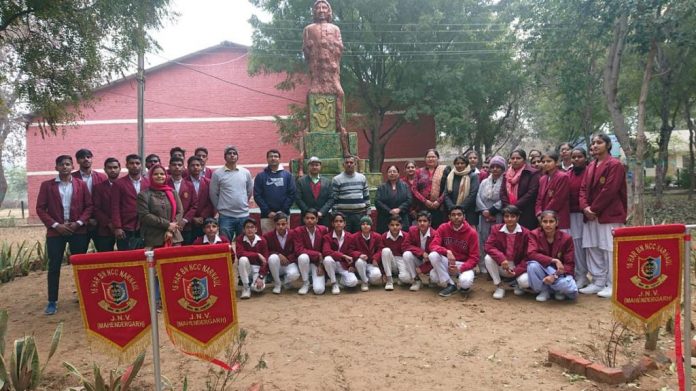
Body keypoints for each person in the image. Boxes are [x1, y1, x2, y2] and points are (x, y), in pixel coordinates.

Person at [36, 155, 93, 315]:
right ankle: (52, 301)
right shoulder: (47, 186)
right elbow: (40, 209)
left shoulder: (81, 185)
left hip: (78, 231)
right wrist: (56, 225)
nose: (65, 167)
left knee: (81, 266)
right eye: (62, 164)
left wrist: (78, 223)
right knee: (54, 266)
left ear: (72, 166)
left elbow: (89, 206)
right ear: (56, 167)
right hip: (56, 233)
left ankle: (85, 299)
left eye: (68, 164)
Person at [579, 133, 627, 298]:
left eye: (599, 142)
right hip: (590, 214)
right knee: (592, 247)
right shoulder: (591, 165)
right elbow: (583, 189)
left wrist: (594, 209)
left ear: (607, 145)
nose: (594, 146)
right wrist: (585, 207)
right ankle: (598, 281)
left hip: (609, 214)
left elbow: (610, 190)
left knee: (609, 249)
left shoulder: (615, 165)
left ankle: (613, 284)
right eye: (593, 143)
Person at [302, 0, 350, 156]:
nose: (321, 10)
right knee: (312, 95)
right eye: (318, 7)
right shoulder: (308, 29)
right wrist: (308, 48)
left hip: (332, 71)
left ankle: (340, 128)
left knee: (339, 94)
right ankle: (310, 126)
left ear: (329, 11)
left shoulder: (335, 29)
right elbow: (305, 53)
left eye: (324, 7)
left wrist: (335, 46)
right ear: (314, 11)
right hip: (317, 72)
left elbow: (340, 49)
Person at [526, 210, 578, 302]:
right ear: (541, 223)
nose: (548, 225)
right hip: (543, 269)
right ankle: (545, 290)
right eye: (545, 221)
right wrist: (554, 260)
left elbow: (569, 265)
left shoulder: (566, 238)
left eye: (551, 221)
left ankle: (555, 290)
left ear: (557, 222)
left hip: (559, 273)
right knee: (532, 265)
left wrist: (554, 276)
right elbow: (531, 254)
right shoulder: (534, 234)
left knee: (568, 287)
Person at [430, 206, 479, 297]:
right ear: (449, 217)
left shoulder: (472, 233)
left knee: (465, 283)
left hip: (463, 264)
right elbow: (433, 246)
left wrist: (461, 269)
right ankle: (451, 284)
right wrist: (447, 251)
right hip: (448, 262)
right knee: (433, 274)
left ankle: (459, 277)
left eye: (459, 215)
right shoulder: (443, 228)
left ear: (464, 217)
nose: (456, 217)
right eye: (453, 215)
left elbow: (474, 258)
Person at [483, 206, 531, 299]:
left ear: (518, 217)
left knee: (525, 282)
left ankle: (518, 284)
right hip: (502, 264)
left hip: (518, 265)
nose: (509, 219)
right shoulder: (496, 229)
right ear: (503, 218)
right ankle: (499, 286)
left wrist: (517, 270)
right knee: (488, 258)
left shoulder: (526, 233)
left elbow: (528, 255)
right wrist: (501, 259)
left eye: (513, 216)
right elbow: (488, 246)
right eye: (506, 216)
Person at [210, 145, 254, 240]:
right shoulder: (217, 173)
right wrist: (220, 208)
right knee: (225, 244)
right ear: (225, 157)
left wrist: (243, 202)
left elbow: (249, 191)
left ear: (237, 156)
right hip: (226, 216)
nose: (232, 155)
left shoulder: (245, 172)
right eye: (229, 153)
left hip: (243, 215)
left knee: (243, 243)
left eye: (234, 153)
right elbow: (213, 193)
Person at [137, 164, 183, 249]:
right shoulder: (143, 195)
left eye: (162, 174)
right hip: (154, 239)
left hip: (174, 237)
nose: (159, 176)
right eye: (155, 174)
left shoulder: (172, 192)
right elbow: (145, 216)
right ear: (150, 176)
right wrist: (168, 224)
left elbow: (179, 212)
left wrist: (170, 229)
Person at [111, 154, 150, 250]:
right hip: (126, 227)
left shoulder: (148, 182)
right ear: (127, 165)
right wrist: (118, 227)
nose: (135, 165)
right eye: (131, 163)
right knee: (125, 257)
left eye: (137, 163)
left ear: (141, 165)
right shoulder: (118, 184)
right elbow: (115, 207)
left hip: (146, 226)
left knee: (145, 255)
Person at [254, 149, 296, 234]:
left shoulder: (288, 176)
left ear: (279, 159)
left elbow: (292, 194)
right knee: (268, 242)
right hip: (267, 216)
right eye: (271, 156)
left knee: (285, 242)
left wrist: (282, 212)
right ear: (267, 159)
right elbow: (257, 195)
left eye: (276, 156)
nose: (273, 158)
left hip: (284, 215)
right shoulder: (260, 176)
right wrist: (268, 212)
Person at [476, 155, 506, 272]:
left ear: (503, 168)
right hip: (483, 215)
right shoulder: (484, 182)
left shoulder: (505, 182)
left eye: (498, 167)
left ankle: (496, 265)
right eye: (492, 166)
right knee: (483, 238)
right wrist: (484, 211)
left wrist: (492, 211)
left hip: (498, 214)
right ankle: (483, 265)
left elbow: (504, 198)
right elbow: (478, 196)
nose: (495, 169)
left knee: (496, 238)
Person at [500, 149, 540, 230]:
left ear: (524, 160)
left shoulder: (532, 173)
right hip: (509, 212)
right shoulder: (506, 174)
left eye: (518, 158)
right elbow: (502, 192)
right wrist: (508, 207)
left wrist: (515, 206)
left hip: (526, 212)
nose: (515, 161)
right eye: (513, 158)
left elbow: (531, 192)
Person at [293, 208, 328, 295]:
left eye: (312, 218)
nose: (310, 220)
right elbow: (298, 250)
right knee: (303, 257)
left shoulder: (323, 230)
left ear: (317, 219)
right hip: (304, 263)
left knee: (319, 290)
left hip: (317, 263)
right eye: (307, 218)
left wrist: (321, 265)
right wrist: (317, 254)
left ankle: (315, 280)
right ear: (303, 219)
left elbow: (325, 249)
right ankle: (306, 283)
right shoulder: (298, 231)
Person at [322, 212, 359, 294]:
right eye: (336, 221)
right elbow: (326, 251)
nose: (338, 223)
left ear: (344, 223)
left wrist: (352, 265)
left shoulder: (350, 236)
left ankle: (340, 280)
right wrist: (343, 255)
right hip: (332, 264)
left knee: (353, 282)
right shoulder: (327, 237)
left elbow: (352, 251)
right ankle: (334, 283)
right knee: (327, 259)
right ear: (332, 223)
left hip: (344, 265)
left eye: (341, 221)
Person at [401, 211, 439, 291]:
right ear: (417, 222)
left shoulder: (435, 234)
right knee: (406, 254)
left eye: (425, 221)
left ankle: (431, 279)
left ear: (429, 223)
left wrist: (423, 268)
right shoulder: (412, 230)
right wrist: (421, 253)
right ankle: (416, 280)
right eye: (419, 221)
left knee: (435, 278)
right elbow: (405, 246)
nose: (422, 223)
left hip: (430, 262)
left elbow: (437, 256)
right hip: (418, 258)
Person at [331, 156, 370, 233]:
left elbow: (366, 195)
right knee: (345, 238)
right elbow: (334, 198)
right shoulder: (336, 179)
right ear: (343, 165)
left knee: (358, 238)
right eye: (347, 162)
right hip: (343, 215)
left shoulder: (362, 178)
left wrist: (368, 212)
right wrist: (335, 214)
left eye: (351, 163)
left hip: (360, 214)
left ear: (355, 164)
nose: (349, 164)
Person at [265, 212, 301, 294]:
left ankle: (286, 281)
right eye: (278, 224)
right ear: (274, 224)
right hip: (276, 264)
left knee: (295, 275)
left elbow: (297, 250)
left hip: (289, 263)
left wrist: (288, 259)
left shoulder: (294, 234)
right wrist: (278, 254)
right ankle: (277, 284)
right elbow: (266, 251)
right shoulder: (268, 236)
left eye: (283, 224)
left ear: (287, 224)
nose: (281, 227)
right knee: (273, 257)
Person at [568, 148, 589, 287]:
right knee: (577, 243)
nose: (576, 159)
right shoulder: (568, 173)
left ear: (585, 158)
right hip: (572, 214)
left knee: (589, 245)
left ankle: (597, 276)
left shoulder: (590, 172)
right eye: (574, 157)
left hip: (587, 213)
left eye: (579, 156)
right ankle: (581, 274)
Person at [535, 151, 570, 231]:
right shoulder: (543, 179)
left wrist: (545, 214)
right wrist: (539, 213)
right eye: (543, 162)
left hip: (558, 216)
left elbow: (558, 200)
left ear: (556, 162)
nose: (545, 164)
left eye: (549, 161)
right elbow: (539, 199)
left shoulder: (563, 177)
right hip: (543, 218)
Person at [411, 149, 447, 227]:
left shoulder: (444, 170)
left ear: (438, 158)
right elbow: (414, 189)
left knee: (439, 229)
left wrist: (439, 201)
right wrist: (425, 201)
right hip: (423, 207)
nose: (431, 159)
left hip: (439, 207)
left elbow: (448, 188)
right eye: (428, 157)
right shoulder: (419, 172)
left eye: (433, 157)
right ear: (425, 159)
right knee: (424, 228)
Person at [236, 218, 269, 299]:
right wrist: (257, 254)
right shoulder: (240, 239)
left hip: (257, 269)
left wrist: (260, 276)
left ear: (256, 229)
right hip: (246, 267)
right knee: (243, 259)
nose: (250, 229)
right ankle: (246, 287)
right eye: (247, 227)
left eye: (252, 227)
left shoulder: (262, 240)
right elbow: (240, 254)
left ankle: (251, 283)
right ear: (244, 230)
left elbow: (265, 261)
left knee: (258, 289)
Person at [92, 157, 121, 252]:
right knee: (106, 258)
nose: (112, 170)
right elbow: (96, 208)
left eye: (115, 167)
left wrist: (118, 225)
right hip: (104, 229)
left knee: (125, 257)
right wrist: (109, 223)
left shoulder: (126, 185)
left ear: (119, 168)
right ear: (105, 170)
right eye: (109, 167)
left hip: (124, 228)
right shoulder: (98, 188)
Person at [295, 156, 333, 227]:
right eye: (312, 165)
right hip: (307, 218)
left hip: (323, 217)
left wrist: (322, 212)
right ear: (308, 167)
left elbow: (331, 199)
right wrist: (308, 213)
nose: (314, 167)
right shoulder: (301, 181)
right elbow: (298, 198)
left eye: (317, 165)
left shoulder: (327, 182)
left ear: (320, 167)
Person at [443, 155, 479, 228]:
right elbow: (446, 194)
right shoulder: (450, 176)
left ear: (466, 164)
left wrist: (460, 208)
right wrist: (452, 208)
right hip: (451, 212)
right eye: (457, 163)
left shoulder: (473, 176)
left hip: (468, 212)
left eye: (462, 163)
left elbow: (473, 194)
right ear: (454, 164)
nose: (459, 165)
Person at [168, 157, 198, 244]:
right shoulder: (165, 183)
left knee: (186, 252)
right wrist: (170, 223)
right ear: (169, 167)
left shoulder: (189, 185)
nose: (177, 167)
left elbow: (194, 205)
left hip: (185, 226)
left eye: (179, 165)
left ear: (184, 168)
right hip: (168, 226)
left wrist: (184, 220)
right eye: (174, 165)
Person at [350, 216, 384, 291]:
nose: (365, 226)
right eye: (363, 224)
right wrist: (359, 255)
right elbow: (350, 250)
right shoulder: (354, 237)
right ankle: (364, 281)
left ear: (371, 226)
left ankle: (365, 277)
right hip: (361, 262)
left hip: (372, 263)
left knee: (376, 276)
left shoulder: (377, 236)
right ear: (360, 226)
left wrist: (376, 258)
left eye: (367, 224)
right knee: (359, 262)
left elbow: (380, 249)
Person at [375, 165, 412, 233]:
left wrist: (399, 209)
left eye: (394, 171)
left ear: (398, 174)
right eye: (390, 172)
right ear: (387, 174)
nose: (392, 173)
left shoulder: (405, 186)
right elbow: (377, 202)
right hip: (385, 218)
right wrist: (389, 211)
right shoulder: (381, 187)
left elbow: (409, 200)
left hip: (401, 217)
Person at [186, 156, 215, 240]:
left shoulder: (208, 182)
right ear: (188, 167)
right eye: (192, 165)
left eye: (198, 165)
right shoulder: (183, 183)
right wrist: (192, 218)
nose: (195, 167)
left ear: (202, 167)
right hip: (189, 222)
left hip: (205, 221)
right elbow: (182, 204)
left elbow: (211, 201)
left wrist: (202, 217)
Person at [379, 215, 405, 291]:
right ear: (388, 226)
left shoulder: (406, 236)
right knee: (385, 250)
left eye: (397, 225)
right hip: (390, 260)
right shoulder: (384, 236)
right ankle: (389, 280)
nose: (395, 227)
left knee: (406, 279)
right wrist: (383, 272)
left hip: (401, 260)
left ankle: (400, 278)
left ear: (401, 226)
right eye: (392, 225)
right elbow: (382, 255)